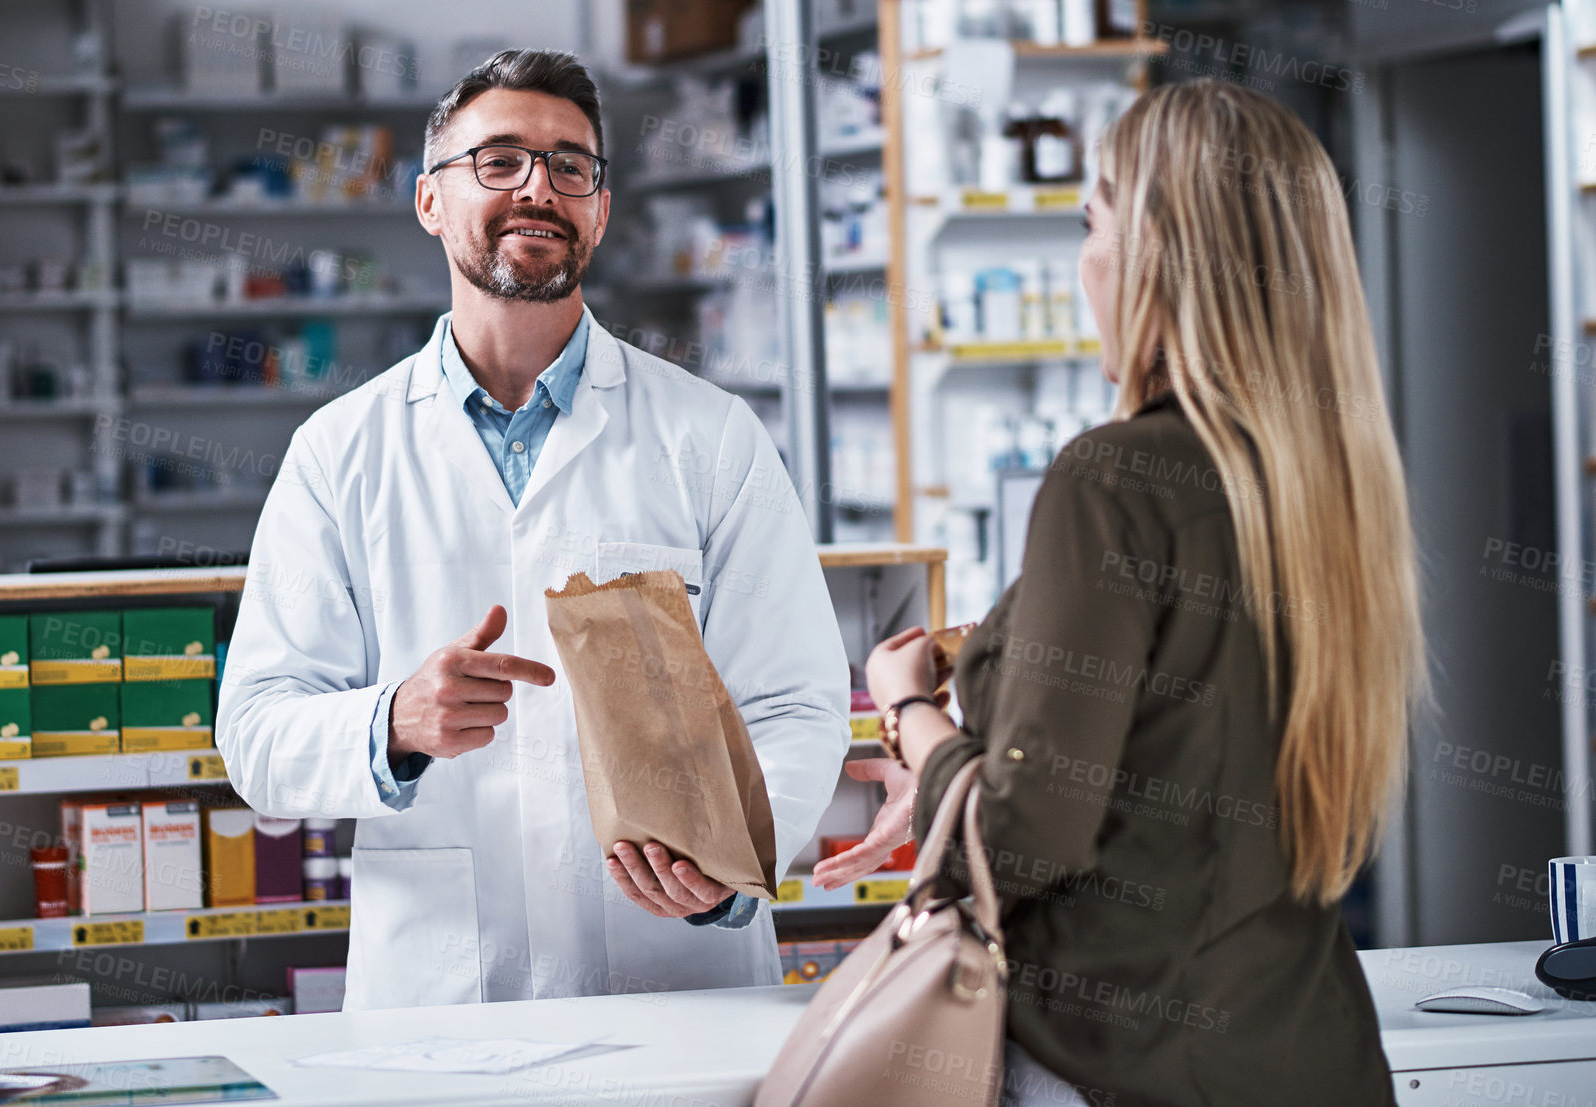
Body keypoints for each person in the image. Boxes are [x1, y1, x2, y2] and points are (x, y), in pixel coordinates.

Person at [821, 79, 1424, 1106]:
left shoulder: (1110, 479)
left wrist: (910, 718)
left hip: (1121, 1063)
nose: (1084, 263)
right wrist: (979, 651)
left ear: (1159, 259)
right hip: (1309, 1053)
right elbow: (1191, 670)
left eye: (1092, 224)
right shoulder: (1327, 483)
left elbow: (1019, 841)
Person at [216, 49, 849, 1011]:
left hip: (675, 984)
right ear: (429, 200)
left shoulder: (709, 436)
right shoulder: (338, 451)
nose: (537, 189)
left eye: (569, 166)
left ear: (599, 206)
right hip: (442, 997)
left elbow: (799, 704)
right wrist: (391, 723)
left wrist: (733, 867)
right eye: (499, 160)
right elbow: (255, 732)